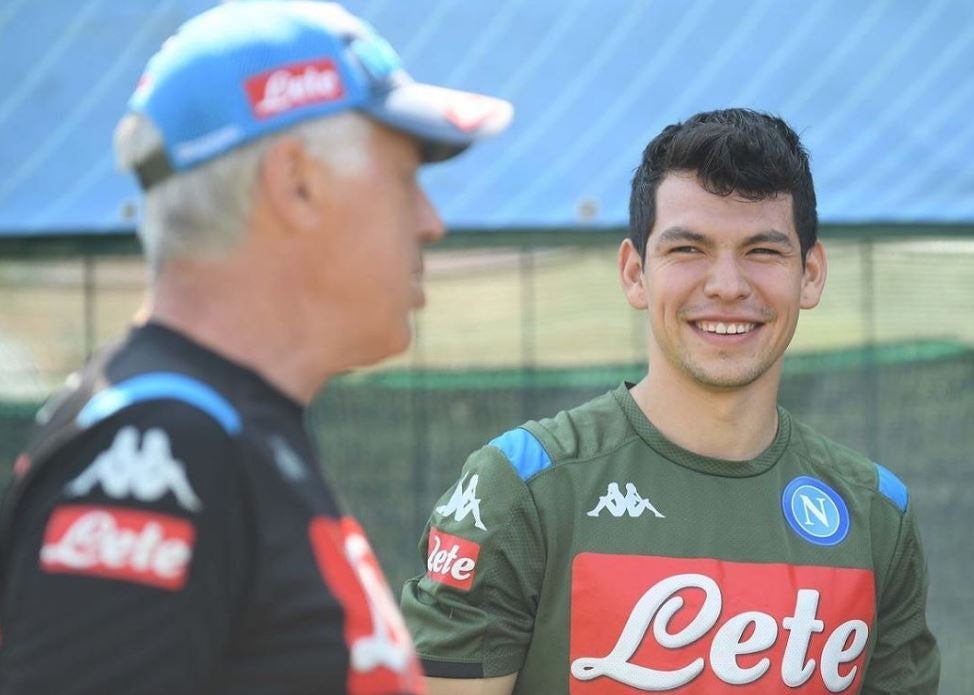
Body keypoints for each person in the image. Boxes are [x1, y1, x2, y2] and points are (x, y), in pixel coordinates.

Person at [0, 2, 511, 693]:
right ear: (295, 183)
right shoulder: (161, 447)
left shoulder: (210, 427)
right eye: (403, 179)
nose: (432, 222)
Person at [401, 108, 940, 694]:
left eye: (763, 251)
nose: (727, 285)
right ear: (636, 273)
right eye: (689, 250)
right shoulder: (522, 489)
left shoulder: (877, 515)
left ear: (810, 274)